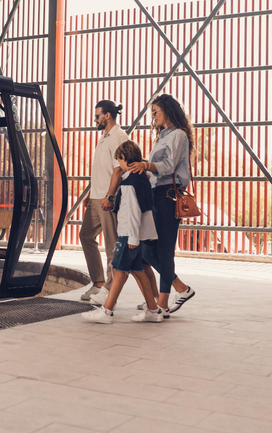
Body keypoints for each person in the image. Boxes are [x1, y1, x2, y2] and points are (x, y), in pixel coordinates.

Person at [81, 141, 163, 324]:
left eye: (119, 161)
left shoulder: (129, 184)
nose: (118, 165)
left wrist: (132, 238)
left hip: (128, 234)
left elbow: (132, 212)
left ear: (124, 158)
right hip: (138, 234)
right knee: (137, 270)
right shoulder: (143, 178)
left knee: (118, 270)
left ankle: (107, 311)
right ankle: (153, 310)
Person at [128, 94, 196, 314]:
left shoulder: (178, 135)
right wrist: (145, 172)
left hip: (169, 195)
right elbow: (158, 169)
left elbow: (167, 166)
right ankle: (181, 288)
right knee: (147, 252)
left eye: (155, 111)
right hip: (157, 194)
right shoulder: (163, 137)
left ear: (167, 110)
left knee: (165, 251)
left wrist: (146, 165)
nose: (153, 116)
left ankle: (163, 303)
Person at [79, 100, 129, 301]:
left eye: (97, 115)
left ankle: (109, 292)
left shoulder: (119, 136)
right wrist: (90, 192)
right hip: (96, 197)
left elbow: (119, 169)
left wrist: (109, 196)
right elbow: (101, 169)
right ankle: (98, 283)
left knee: (111, 245)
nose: (95, 119)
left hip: (108, 198)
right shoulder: (104, 137)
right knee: (85, 236)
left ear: (107, 116)